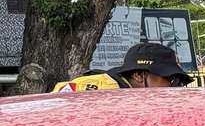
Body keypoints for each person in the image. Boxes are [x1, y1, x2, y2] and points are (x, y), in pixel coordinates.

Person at [53, 43, 193, 91]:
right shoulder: (96, 91)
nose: (175, 87)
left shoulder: (132, 96)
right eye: (172, 79)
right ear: (139, 75)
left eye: (179, 83)